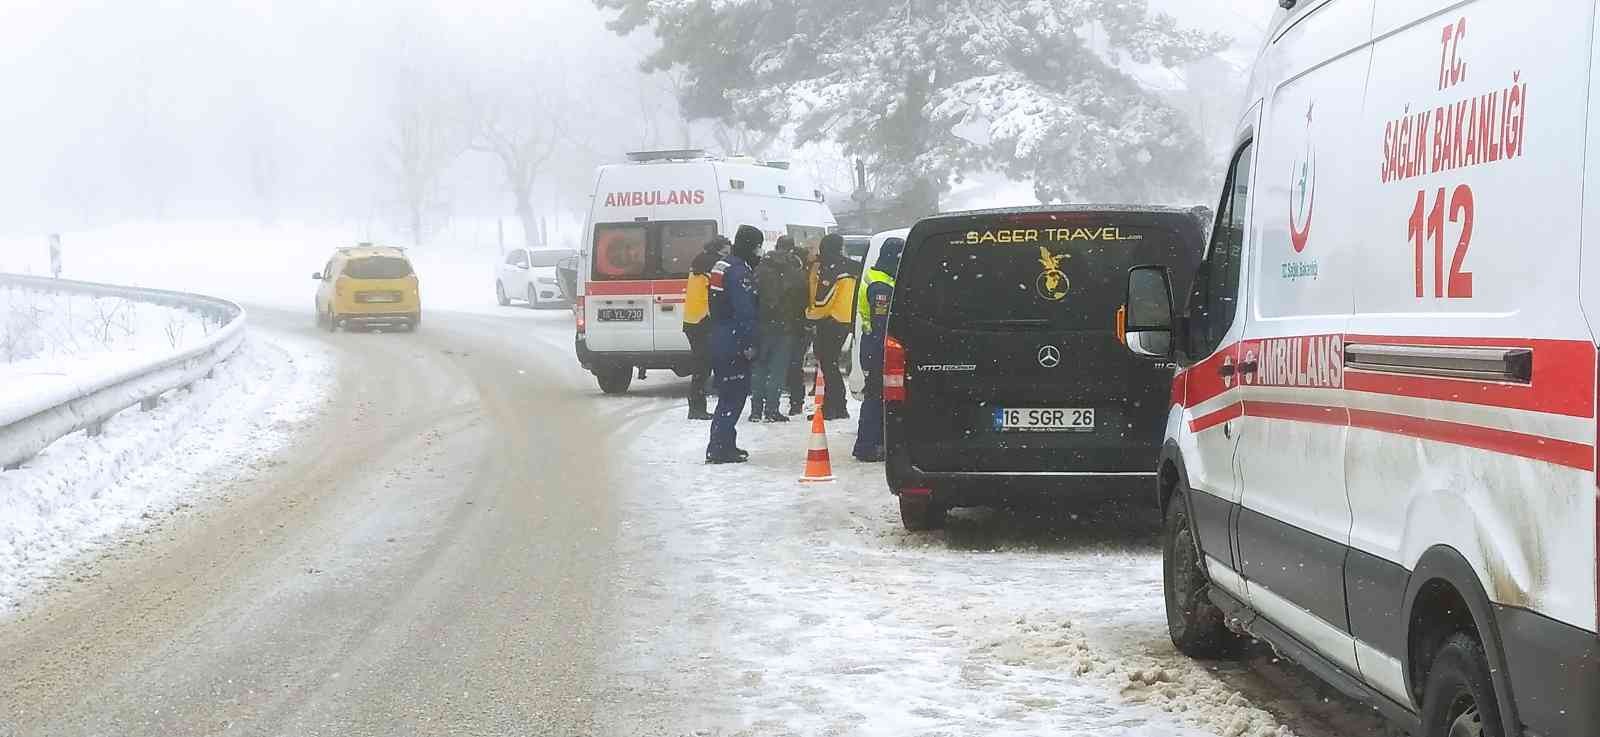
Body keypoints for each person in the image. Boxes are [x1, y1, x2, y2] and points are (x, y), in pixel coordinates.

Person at [706, 225, 762, 463]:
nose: (760, 252)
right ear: (751, 246)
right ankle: (720, 447)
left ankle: (724, 443)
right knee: (734, 395)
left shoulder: (723, 265)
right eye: (758, 246)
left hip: (720, 335)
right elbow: (745, 311)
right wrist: (749, 342)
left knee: (728, 394)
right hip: (733, 339)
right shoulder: (739, 272)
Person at [853, 237, 902, 461]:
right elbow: (882, 323)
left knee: (879, 396)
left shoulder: (883, 278)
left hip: (874, 345)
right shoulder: (880, 285)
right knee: (875, 397)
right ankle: (867, 446)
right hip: (877, 347)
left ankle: (875, 443)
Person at [751, 235, 807, 423]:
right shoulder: (795, 271)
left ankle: (755, 410)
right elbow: (803, 299)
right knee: (777, 369)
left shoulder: (760, 268)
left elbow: (753, 295)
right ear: (791, 249)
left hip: (760, 325)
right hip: (785, 326)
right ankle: (772, 410)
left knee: (759, 367)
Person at [807, 233, 857, 420]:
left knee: (828, 365)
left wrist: (809, 316)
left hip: (830, 321)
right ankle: (838, 407)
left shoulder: (830, 267)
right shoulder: (851, 265)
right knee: (832, 364)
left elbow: (822, 300)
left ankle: (832, 407)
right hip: (846, 321)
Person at [682, 237, 727, 420]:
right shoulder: (712, 267)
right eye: (726, 250)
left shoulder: (699, 264)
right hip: (703, 321)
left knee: (700, 367)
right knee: (702, 368)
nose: (728, 253)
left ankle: (697, 406)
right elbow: (714, 295)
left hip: (692, 321)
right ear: (719, 250)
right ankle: (696, 408)